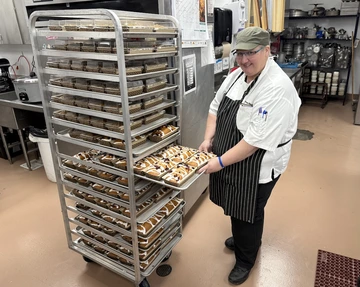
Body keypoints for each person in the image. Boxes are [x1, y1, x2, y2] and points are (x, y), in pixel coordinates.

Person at [198, 27, 301, 285]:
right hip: (234, 158)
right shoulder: (236, 76)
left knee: (250, 210)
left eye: (251, 53)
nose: (244, 60)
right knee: (236, 204)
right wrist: (208, 139)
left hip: (260, 164)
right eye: (239, 53)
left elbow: (255, 141)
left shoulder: (276, 88)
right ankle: (244, 238)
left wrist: (219, 162)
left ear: (267, 50)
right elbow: (215, 107)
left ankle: (246, 258)